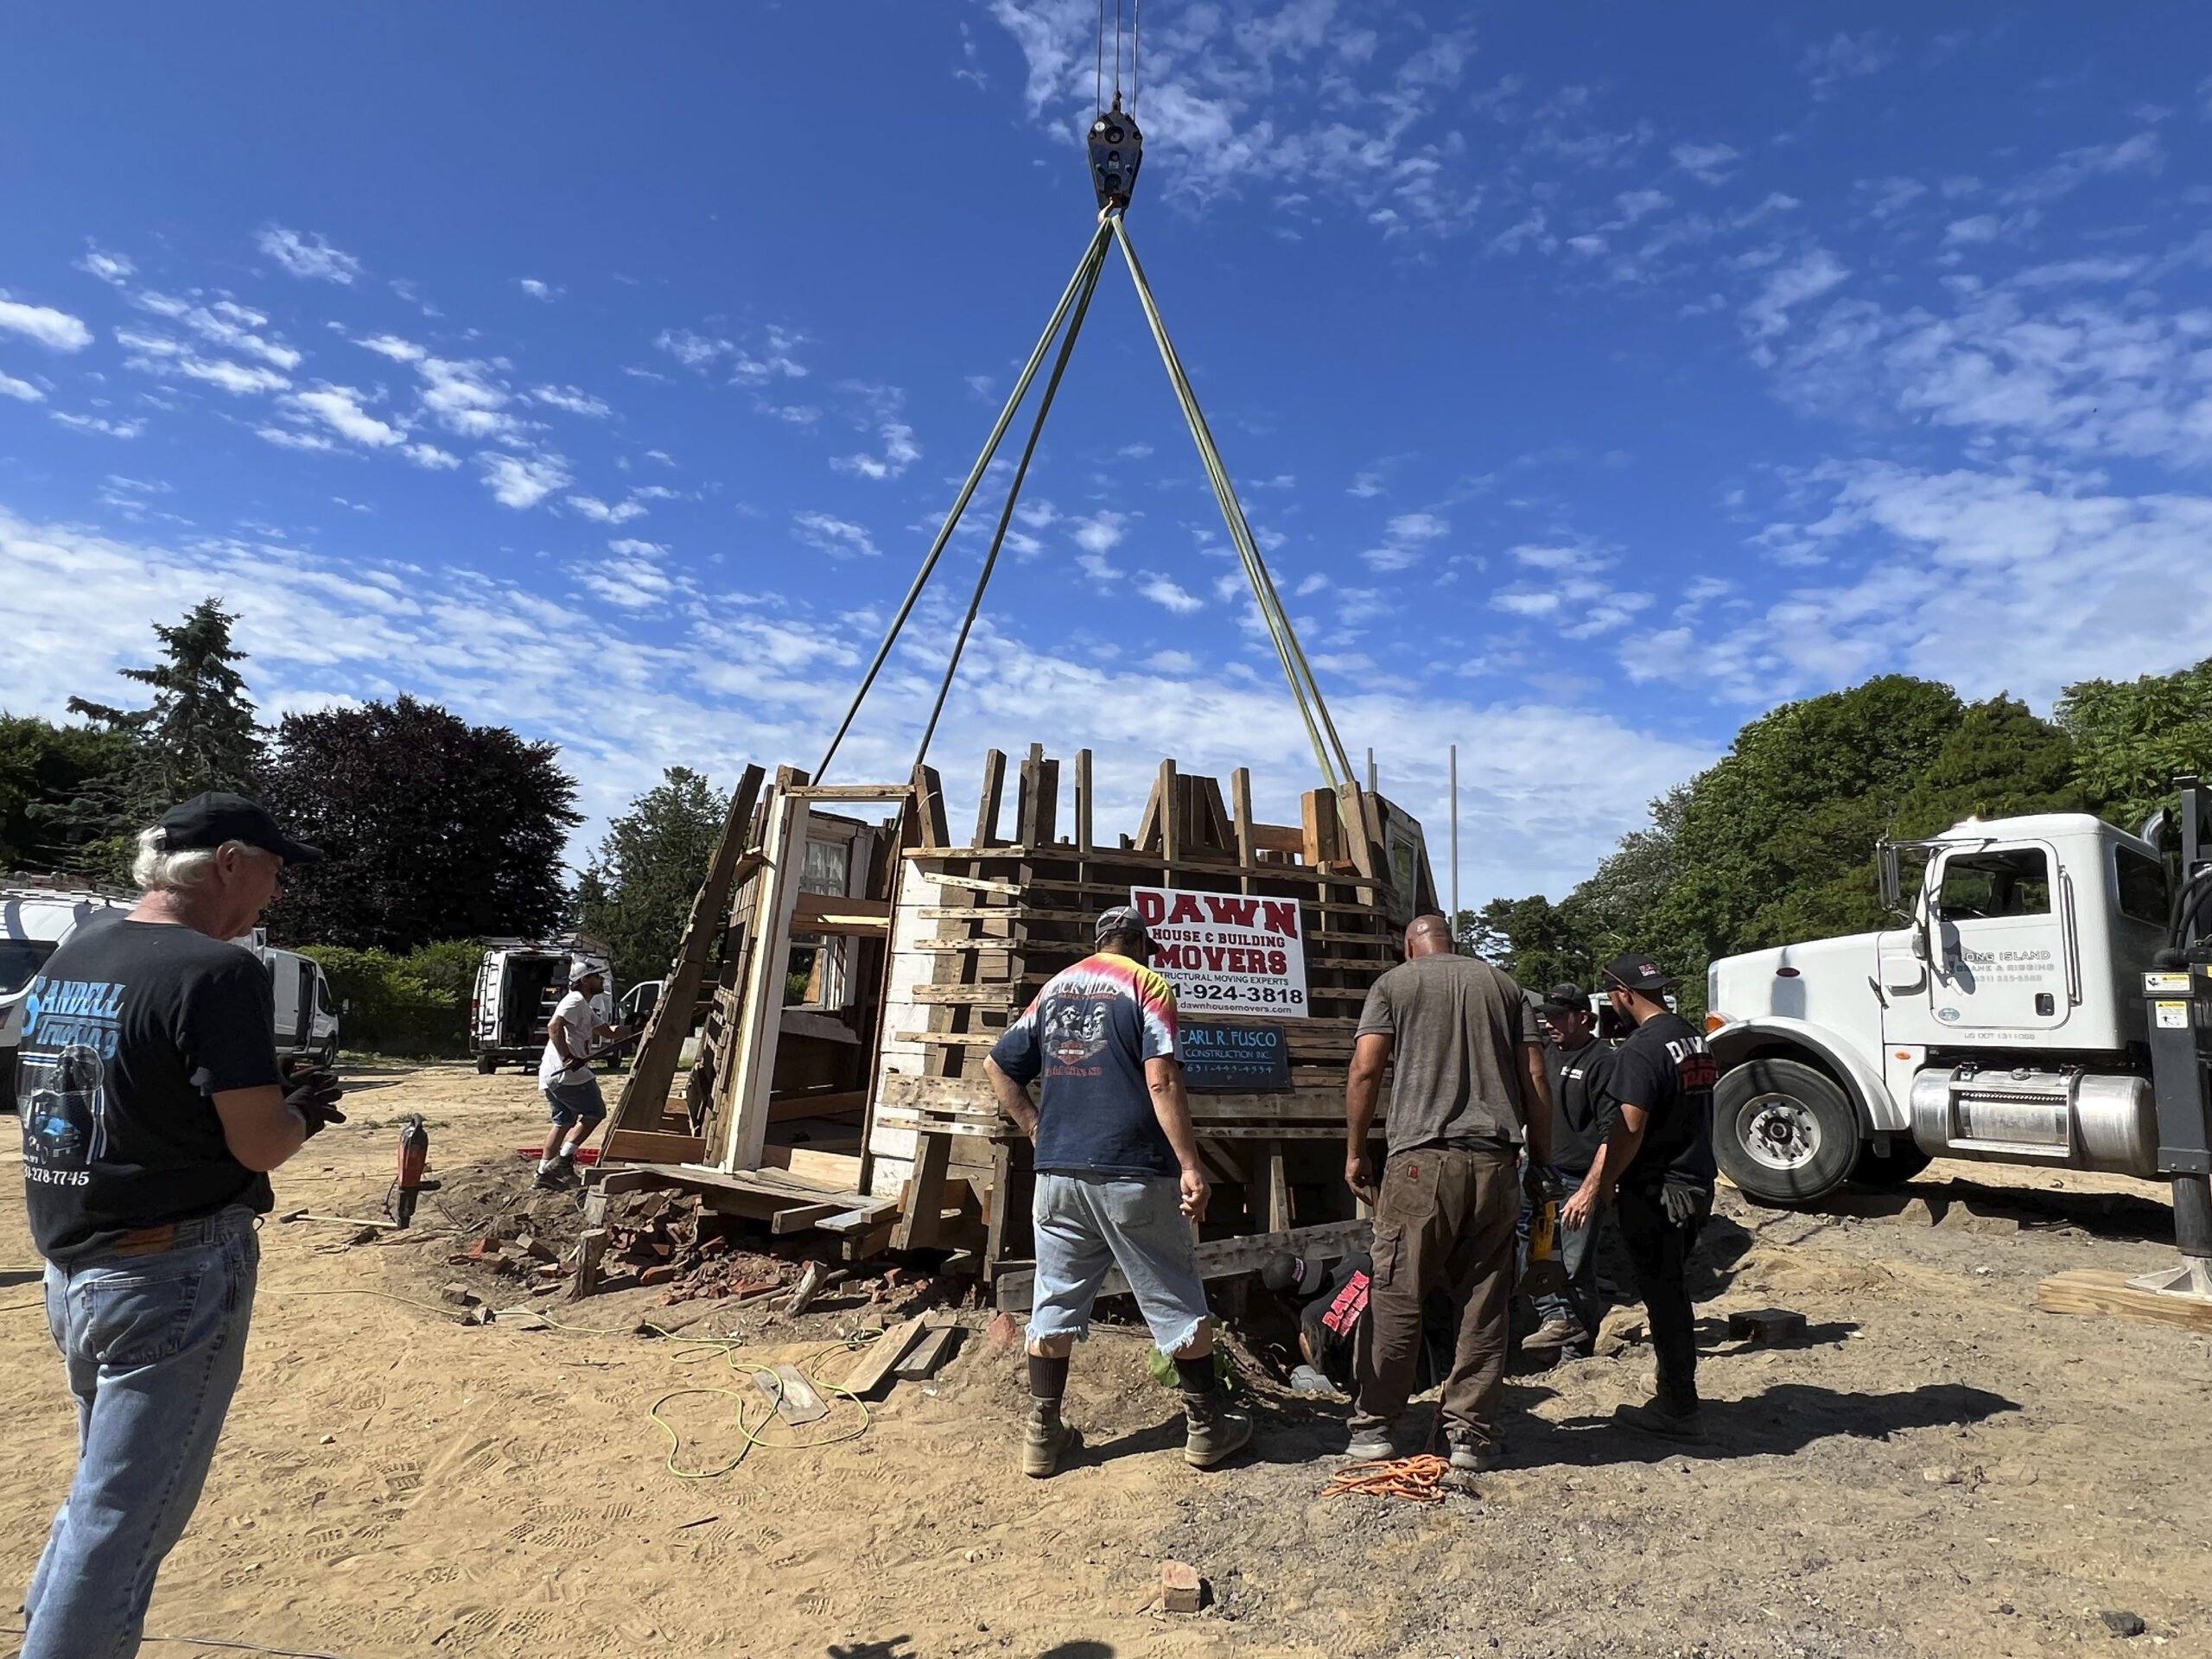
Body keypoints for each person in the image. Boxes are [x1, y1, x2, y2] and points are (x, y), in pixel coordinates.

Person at [16, 792, 343, 1659]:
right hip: (173, 1274)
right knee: (124, 1523)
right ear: (230, 862)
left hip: (74, 1265)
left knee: (98, 1497)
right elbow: (262, 1143)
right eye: (274, 872)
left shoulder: (77, 951)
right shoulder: (218, 972)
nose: (275, 893)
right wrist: (302, 1110)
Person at [983, 906, 1252, 1478]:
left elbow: (997, 1064)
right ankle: (1206, 1429)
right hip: (1132, 1171)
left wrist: (1036, 1130)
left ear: (1099, 940)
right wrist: (1189, 1163)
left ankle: (1042, 1435)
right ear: (1138, 943)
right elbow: (1162, 1078)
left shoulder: (1055, 989)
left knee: (1053, 1303)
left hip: (1057, 1178)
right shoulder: (1145, 984)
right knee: (1177, 1302)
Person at [1343, 913, 1552, 1471]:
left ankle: (1375, 1429)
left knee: (1397, 1294)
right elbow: (1535, 1076)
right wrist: (1543, 1159)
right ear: (1450, 943)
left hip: (1421, 1162)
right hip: (1497, 1162)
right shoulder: (1505, 986)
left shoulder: (1394, 984)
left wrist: (1357, 1150)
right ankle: (1470, 1437)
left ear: (1410, 946)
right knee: (1485, 1303)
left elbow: (1366, 1070)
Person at [1563, 953, 1719, 1442]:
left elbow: (1629, 1126)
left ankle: (1678, 1407)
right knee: (1674, 1290)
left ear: (1621, 995)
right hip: (1695, 1185)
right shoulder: (1694, 1038)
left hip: (1657, 1192)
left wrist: (1601, 1182)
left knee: (1664, 1297)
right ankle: (1676, 1397)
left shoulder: (1640, 1050)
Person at [1525, 983, 1618, 1357]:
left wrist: (1590, 1190)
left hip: (1580, 1177)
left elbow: (1614, 1134)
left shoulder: (1603, 1061)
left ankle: (1576, 1351)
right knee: (1534, 1254)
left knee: (1576, 1266)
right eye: (1547, 1015)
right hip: (1541, 1172)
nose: (1550, 1023)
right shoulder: (1544, 1055)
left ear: (1584, 1017)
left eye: (1559, 1016)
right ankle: (1556, 1318)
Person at [535, 963, 629, 1189]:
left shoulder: (584, 1007)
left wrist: (639, 1026)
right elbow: (553, 1026)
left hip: (551, 1075)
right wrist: (568, 1057)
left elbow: (608, 1032)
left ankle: (542, 1174)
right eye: (596, 977)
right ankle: (563, 1161)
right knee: (595, 1112)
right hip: (567, 1073)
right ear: (585, 980)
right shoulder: (575, 1000)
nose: (602, 980)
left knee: (563, 1121)